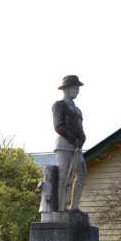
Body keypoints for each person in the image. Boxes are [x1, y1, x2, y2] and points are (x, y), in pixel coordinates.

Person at [52, 75, 87, 211]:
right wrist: (73, 140)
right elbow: (59, 126)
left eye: (78, 88)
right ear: (66, 89)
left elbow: (80, 128)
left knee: (81, 173)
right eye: (75, 87)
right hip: (64, 145)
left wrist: (81, 140)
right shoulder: (59, 105)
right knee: (64, 175)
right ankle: (61, 208)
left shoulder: (77, 110)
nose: (77, 90)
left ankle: (74, 206)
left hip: (77, 147)